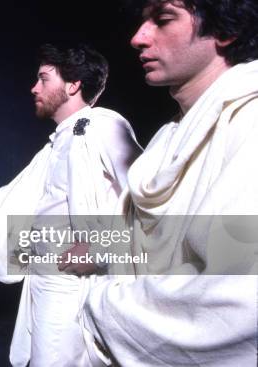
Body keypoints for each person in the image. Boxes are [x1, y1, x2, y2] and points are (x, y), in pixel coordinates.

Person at [0, 44, 142, 366]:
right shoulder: (59, 141)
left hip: (72, 283)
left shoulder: (100, 124)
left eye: (44, 79)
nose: (34, 87)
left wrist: (100, 250)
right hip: (42, 278)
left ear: (72, 85)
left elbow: (147, 200)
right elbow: (15, 200)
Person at [80, 1, 258, 366]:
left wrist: (101, 306)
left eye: (162, 20)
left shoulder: (250, 124)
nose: (137, 38)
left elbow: (239, 301)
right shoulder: (170, 134)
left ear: (225, 32)